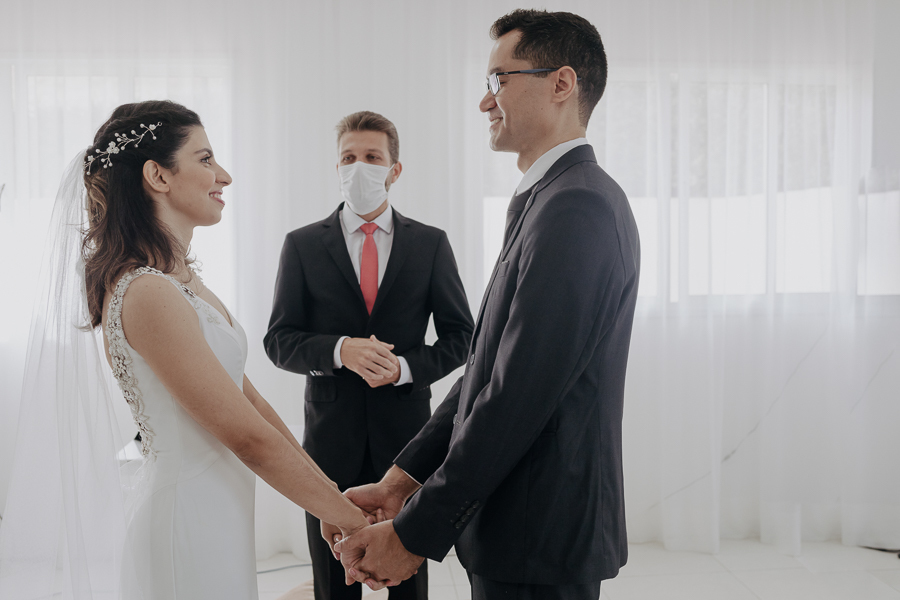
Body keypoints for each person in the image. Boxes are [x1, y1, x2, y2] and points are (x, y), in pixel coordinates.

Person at [0, 100, 373, 600]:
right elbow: (246, 437)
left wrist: (330, 498)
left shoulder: (184, 282)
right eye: (205, 159)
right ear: (158, 175)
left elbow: (253, 406)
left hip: (219, 508)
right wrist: (350, 519)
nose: (224, 175)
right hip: (187, 517)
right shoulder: (147, 292)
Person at [335, 9, 640, 600]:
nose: (485, 101)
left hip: (540, 530)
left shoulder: (577, 209)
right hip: (515, 526)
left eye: (500, 79)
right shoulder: (549, 198)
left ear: (561, 84)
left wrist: (416, 533)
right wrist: (403, 479)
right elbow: (487, 370)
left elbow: (517, 396)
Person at [264, 110, 474, 600]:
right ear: (337, 168)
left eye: (372, 157)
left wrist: (404, 368)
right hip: (329, 441)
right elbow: (280, 340)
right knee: (333, 577)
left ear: (394, 169)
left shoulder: (430, 244)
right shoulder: (300, 246)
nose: (359, 167)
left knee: (407, 576)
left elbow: (462, 337)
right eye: (348, 158)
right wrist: (339, 350)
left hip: (407, 443)